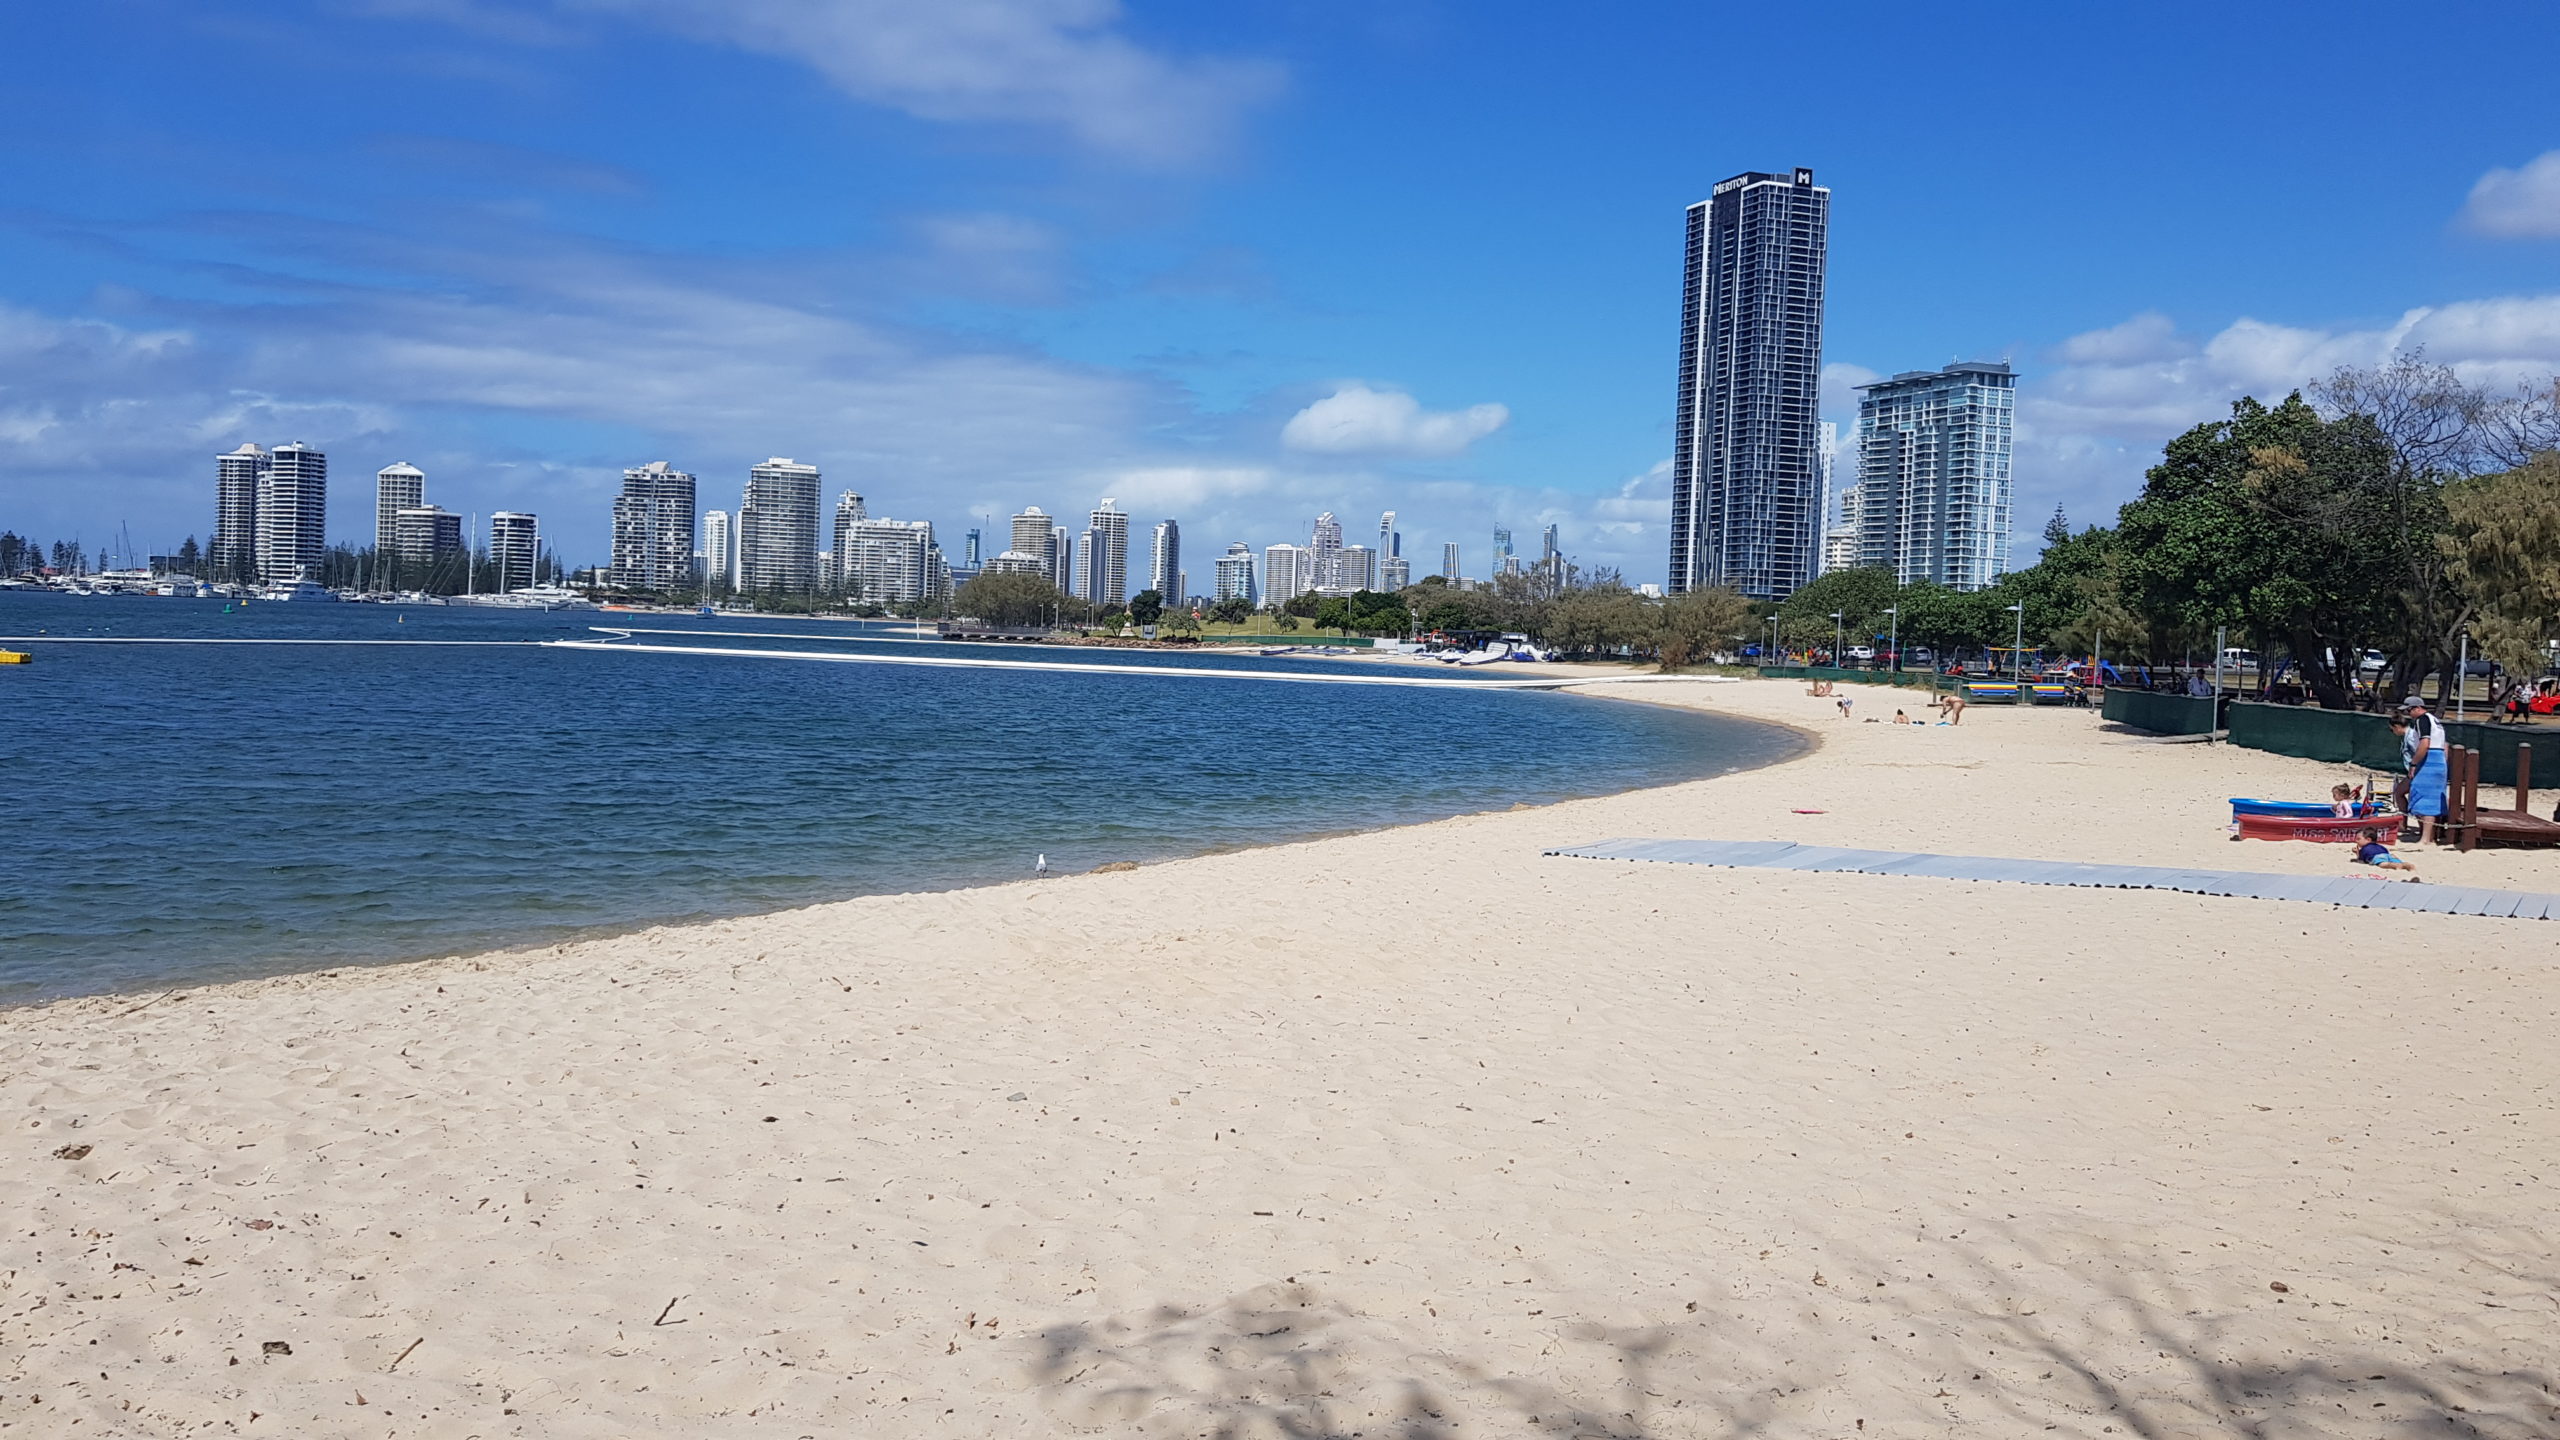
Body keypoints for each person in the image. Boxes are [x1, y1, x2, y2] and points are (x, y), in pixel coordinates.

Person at [2399, 695, 2447, 846]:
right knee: (2431, 798)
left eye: (2408, 710)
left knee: (2424, 798)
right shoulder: (2435, 720)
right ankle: (2430, 837)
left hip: (2429, 760)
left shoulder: (2422, 720)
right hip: (2438, 759)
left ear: (2417, 708)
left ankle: (2425, 838)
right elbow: (2444, 745)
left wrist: (2414, 763)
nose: (2408, 714)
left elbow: (2425, 743)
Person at [2353, 827, 2418, 874]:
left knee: (2382, 864)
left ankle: (2395, 866)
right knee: (2394, 860)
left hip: (2377, 857)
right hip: (2388, 855)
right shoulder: (2380, 846)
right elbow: (2386, 851)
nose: (2356, 841)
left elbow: (2360, 860)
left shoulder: (2364, 849)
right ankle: (2404, 864)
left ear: (2368, 840)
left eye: (2358, 839)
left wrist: (2357, 853)